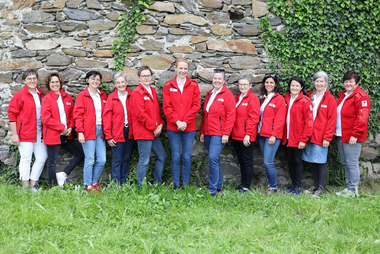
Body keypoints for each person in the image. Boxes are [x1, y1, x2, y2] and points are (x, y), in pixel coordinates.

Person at [163, 58, 201, 190]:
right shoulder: (168, 85)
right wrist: (177, 121)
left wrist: (185, 121)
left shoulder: (194, 85)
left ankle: (185, 184)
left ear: (188, 70)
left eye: (185, 68)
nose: (183, 71)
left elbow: (196, 105)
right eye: (180, 68)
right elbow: (166, 107)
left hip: (189, 127)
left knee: (186, 157)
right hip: (173, 127)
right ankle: (176, 185)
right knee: (175, 157)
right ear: (175, 69)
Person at [41, 73, 84, 188]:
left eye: (57, 82)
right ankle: (54, 187)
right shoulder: (46, 99)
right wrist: (62, 128)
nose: (55, 84)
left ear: (60, 83)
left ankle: (64, 174)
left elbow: (71, 114)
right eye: (52, 82)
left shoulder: (67, 97)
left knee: (80, 154)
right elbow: (46, 119)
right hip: (53, 135)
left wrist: (70, 127)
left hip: (67, 135)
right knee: (52, 163)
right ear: (48, 84)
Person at [8, 69, 47, 192]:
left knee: (42, 157)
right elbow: (12, 114)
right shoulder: (20, 95)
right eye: (29, 78)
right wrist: (15, 134)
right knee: (26, 158)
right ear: (24, 81)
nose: (32, 80)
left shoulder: (41, 94)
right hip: (24, 132)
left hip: (39, 132)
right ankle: (25, 187)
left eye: (34, 78)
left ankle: (33, 184)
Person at [200, 69, 236, 195]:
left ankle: (212, 189)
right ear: (212, 79)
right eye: (215, 78)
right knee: (215, 159)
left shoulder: (228, 95)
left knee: (212, 158)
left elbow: (231, 115)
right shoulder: (210, 94)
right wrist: (203, 132)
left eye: (219, 79)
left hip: (219, 133)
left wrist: (226, 133)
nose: (217, 81)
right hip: (209, 133)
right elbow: (205, 115)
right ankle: (218, 185)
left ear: (224, 80)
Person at [335, 71, 371, 197]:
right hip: (341, 135)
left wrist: (355, 135)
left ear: (357, 83)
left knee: (352, 163)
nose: (348, 83)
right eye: (346, 81)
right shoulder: (343, 96)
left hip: (352, 137)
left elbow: (362, 118)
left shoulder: (361, 96)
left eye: (351, 81)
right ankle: (349, 187)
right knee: (345, 163)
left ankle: (353, 190)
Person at [131, 66, 167, 187]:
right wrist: (154, 127)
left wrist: (160, 124)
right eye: (144, 76)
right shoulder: (137, 93)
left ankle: (157, 183)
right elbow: (140, 115)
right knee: (144, 160)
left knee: (162, 156)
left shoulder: (152, 90)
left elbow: (157, 111)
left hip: (154, 132)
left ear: (151, 77)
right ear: (139, 77)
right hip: (144, 132)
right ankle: (140, 187)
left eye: (148, 75)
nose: (146, 78)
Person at [302, 71, 337, 197]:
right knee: (313, 160)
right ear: (314, 82)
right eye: (317, 81)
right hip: (309, 134)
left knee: (320, 161)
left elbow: (332, 119)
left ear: (326, 83)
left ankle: (321, 189)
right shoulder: (309, 96)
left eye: (321, 81)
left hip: (322, 135)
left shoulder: (330, 98)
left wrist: (327, 137)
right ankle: (315, 186)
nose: (319, 83)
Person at [73, 71, 107, 193]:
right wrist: (80, 131)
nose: (95, 81)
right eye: (92, 78)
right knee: (90, 159)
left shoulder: (102, 95)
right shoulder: (82, 95)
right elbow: (78, 115)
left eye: (98, 79)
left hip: (100, 130)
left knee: (102, 159)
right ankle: (88, 186)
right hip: (87, 130)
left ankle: (94, 182)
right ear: (87, 80)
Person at [282, 76, 313, 196]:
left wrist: (304, 139)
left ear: (301, 87)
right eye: (292, 85)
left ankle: (298, 186)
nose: (294, 87)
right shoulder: (286, 98)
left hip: (298, 138)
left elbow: (309, 122)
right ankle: (293, 184)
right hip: (287, 136)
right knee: (290, 161)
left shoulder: (305, 101)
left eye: (296, 85)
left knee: (297, 161)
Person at [103, 72, 134, 186]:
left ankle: (124, 182)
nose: (121, 84)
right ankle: (116, 184)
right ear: (115, 84)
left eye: (122, 82)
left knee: (126, 158)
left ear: (126, 82)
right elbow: (107, 118)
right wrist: (108, 135)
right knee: (117, 159)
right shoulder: (112, 98)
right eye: (118, 83)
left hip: (129, 131)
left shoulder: (132, 95)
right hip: (117, 131)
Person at [257, 74, 286, 195]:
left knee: (268, 162)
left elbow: (280, 119)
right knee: (266, 161)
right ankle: (270, 185)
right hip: (261, 134)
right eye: (267, 82)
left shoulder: (279, 99)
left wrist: (274, 135)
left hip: (272, 135)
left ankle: (273, 187)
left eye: (271, 82)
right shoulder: (263, 98)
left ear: (275, 85)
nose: (269, 84)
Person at [231, 75, 260, 193]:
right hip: (236, 134)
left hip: (246, 136)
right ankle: (243, 184)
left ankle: (246, 186)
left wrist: (248, 134)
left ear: (250, 86)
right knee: (241, 160)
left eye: (245, 84)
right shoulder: (237, 98)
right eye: (240, 84)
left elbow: (254, 117)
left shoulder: (252, 98)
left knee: (247, 161)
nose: (242, 87)